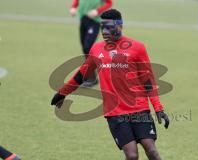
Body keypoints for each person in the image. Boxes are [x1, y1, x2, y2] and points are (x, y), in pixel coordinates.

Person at [51, 9, 169, 160]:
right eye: (102, 27)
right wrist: (62, 93)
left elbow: (148, 80)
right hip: (115, 112)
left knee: (151, 150)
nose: (104, 31)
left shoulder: (137, 47)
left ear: (120, 26)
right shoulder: (96, 49)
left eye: (108, 27)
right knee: (132, 155)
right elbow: (82, 75)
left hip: (139, 108)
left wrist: (158, 108)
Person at [70, 0, 112, 87]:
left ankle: (91, 77)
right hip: (83, 19)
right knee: (85, 48)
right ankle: (91, 77)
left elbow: (109, 3)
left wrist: (97, 11)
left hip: (94, 21)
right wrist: (74, 7)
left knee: (87, 47)